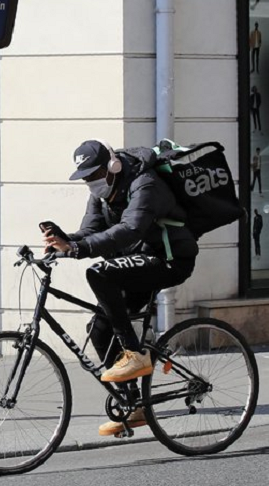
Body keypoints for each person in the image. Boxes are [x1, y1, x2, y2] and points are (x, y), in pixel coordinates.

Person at [42, 140, 198, 437]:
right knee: (99, 330)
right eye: (85, 177)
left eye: (94, 174)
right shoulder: (99, 195)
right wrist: (62, 240)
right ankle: (134, 406)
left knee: (99, 274)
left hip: (168, 259)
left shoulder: (145, 183)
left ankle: (135, 354)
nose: (91, 182)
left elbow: (130, 229)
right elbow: (90, 232)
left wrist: (78, 247)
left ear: (112, 166)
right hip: (134, 262)